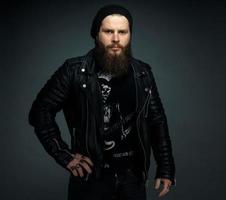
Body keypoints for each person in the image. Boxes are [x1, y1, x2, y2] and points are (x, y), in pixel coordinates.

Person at [29, 4, 175, 200]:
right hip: (91, 180)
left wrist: (166, 168)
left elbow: (156, 121)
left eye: (122, 32)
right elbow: (40, 112)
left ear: (130, 35)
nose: (116, 39)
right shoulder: (74, 71)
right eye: (108, 31)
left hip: (133, 179)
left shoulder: (142, 73)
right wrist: (65, 155)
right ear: (96, 34)